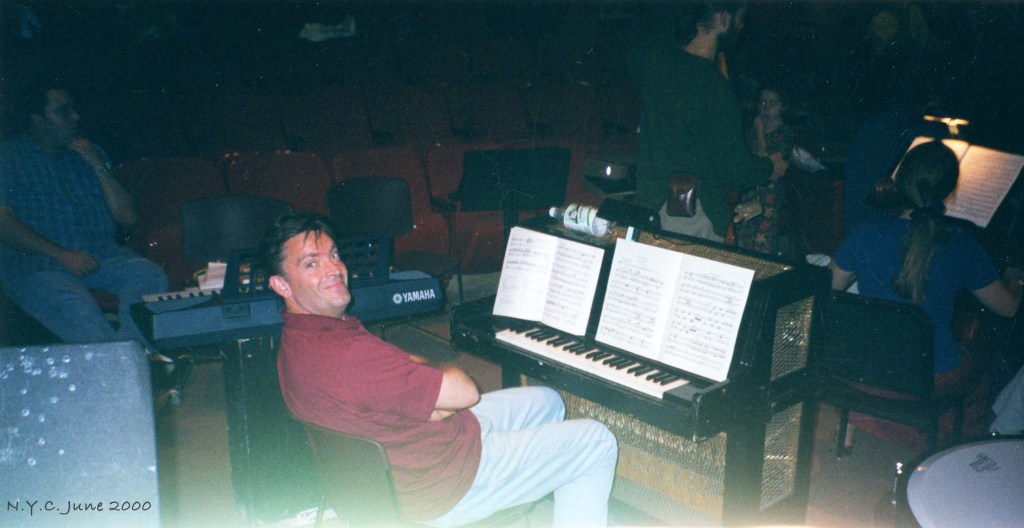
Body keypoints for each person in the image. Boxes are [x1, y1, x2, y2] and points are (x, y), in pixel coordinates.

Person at [261, 213, 618, 527]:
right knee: (597, 441)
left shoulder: (300, 337)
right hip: (442, 484)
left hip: (420, 452)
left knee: (547, 401)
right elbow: (465, 392)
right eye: (311, 264)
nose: (333, 270)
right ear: (281, 284)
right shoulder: (347, 353)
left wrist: (431, 396)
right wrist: (436, 389)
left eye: (333, 255)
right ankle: (529, 484)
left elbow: (404, 384)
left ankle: (535, 481)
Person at [831, 141, 1021, 389]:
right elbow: (1008, 308)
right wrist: (1016, 277)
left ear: (900, 180)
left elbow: (828, 288)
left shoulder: (865, 233)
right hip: (929, 379)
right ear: (949, 190)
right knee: (982, 361)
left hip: (869, 369)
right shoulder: (962, 244)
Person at [0, 81, 168, 347]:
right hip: (37, 265)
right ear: (37, 119)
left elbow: (128, 218)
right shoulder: (8, 156)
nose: (75, 117)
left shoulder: (88, 154)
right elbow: (3, 223)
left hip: (99, 256)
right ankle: (120, 362)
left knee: (150, 275)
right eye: (63, 111)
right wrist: (61, 255)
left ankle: (131, 356)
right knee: (80, 311)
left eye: (74, 110)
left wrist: (98, 165)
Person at [632, 1, 773, 242]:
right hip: (689, 217)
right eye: (740, 17)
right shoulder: (714, 87)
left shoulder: (657, 63)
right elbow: (738, 172)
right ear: (722, 18)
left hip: (650, 208)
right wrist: (770, 167)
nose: (741, 25)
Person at [733, 84, 795, 255]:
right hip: (748, 194)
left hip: (769, 198)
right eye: (762, 103)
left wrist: (760, 131)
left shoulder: (785, 133)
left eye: (772, 103)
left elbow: (772, 165)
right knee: (743, 242)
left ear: (782, 106)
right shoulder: (750, 132)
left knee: (763, 244)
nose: (766, 108)